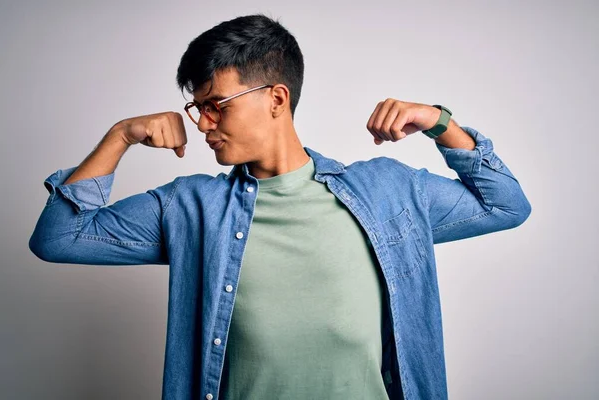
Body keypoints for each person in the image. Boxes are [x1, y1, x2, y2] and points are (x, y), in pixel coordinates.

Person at [29, 13, 531, 400]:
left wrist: (441, 122)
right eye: (196, 108)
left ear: (276, 98)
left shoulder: (388, 192)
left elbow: (506, 205)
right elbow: (59, 239)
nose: (203, 124)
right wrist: (119, 137)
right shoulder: (191, 207)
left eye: (215, 104)